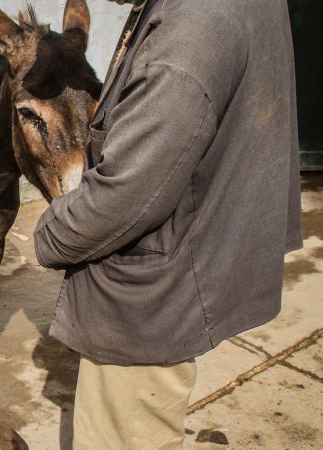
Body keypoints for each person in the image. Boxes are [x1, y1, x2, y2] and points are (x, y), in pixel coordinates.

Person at [33, 0, 303, 448]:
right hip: (188, 255)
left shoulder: (190, 32)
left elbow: (125, 196)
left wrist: (49, 234)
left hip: (143, 307)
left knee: (122, 435)